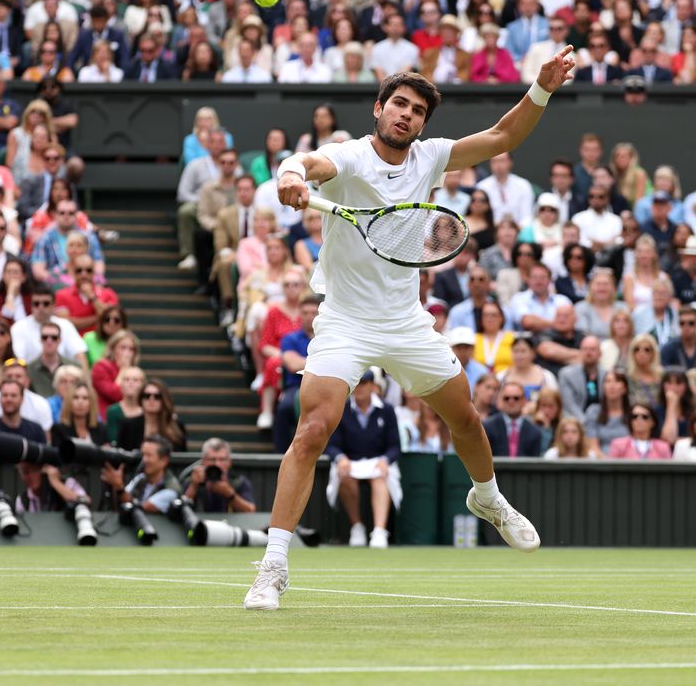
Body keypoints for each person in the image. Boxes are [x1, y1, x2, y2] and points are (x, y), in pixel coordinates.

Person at [245, 59, 575, 609]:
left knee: (465, 418)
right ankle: (272, 566)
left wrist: (541, 85)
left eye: (417, 111)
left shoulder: (431, 157)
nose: (407, 115)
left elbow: (502, 134)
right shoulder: (349, 156)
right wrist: (291, 176)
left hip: (405, 321)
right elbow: (307, 160)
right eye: (399, 104)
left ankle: (488, 498)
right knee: (313, 430)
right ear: (379, 109)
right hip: (346, 321)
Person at [323, 370, 402, 547]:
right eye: (356, 384)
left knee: (381, 478)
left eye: (364, 383)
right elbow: (332, 444)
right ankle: (357, 527)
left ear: (373, 386)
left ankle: (379, 531)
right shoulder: (341, 409)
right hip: (351, 462)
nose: (359, 388)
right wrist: (341, 458)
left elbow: (395, 446)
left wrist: (386, 460)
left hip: (377, 462)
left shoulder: (387, 410)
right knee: (344, 476)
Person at [0, 378, 48, 444]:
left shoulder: (36, 431)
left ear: (22, 399)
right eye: (5, 395)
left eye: (13, 395)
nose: (9, 399)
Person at [607, 403, 672, 459]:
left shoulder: (663, 447)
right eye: (635, 416)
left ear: (653, 422)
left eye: (644, 417)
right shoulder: (618, 445)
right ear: (630, 421)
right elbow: (611, 470)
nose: (639, 420)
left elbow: (669, 471)